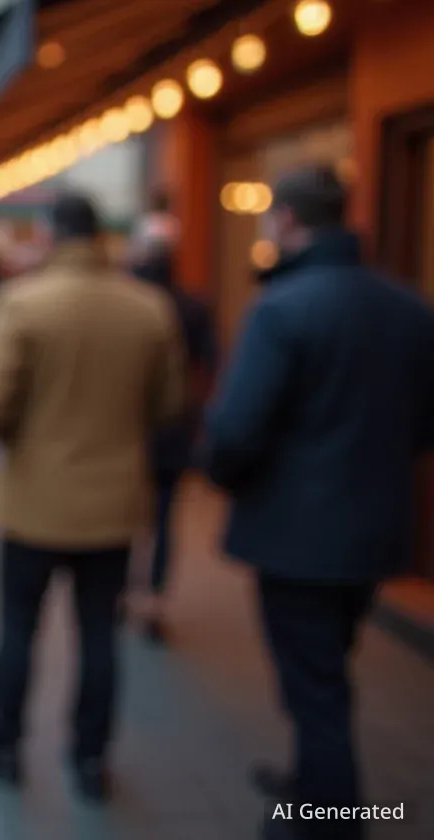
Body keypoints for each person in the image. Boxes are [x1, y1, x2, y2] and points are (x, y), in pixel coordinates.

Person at [203, 166, 434, 840]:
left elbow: (236, 430)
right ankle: (311, 784)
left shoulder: (282, 307)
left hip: (299, 536)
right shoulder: (409, 308)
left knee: (316, 690)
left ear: (287, 221)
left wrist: (231, 476)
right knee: (326, 670)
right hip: (374, 530)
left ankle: (328, 818)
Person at [0, 193, 186, 800]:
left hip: (36, 502)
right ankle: (89, 757)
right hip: (113, 504)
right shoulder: (147, 307)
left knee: (19, 629)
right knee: (100, 633)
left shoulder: (22, 303)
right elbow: (169, 405)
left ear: (50, 237)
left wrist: (21, 434)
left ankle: (4, 742)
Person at [131, 240, 217, 643]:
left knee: (127, 516)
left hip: (130, 429)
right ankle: (153, 596)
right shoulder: (194, 307)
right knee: (163, 518)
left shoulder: (131, 309)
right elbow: (207, 368)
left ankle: (125, 590)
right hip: (173, 428)